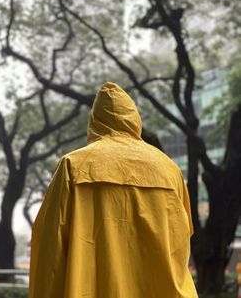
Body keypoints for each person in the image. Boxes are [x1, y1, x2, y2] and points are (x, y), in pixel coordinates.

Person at [29, 82, 198, 298]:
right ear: (134, 119)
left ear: (95, 122)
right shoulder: (169, 169)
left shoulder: (73, 166)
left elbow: (50, 247)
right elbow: (182, 240)